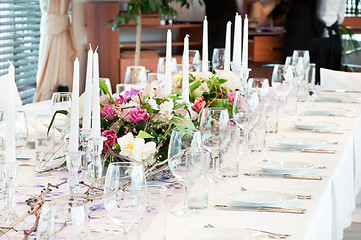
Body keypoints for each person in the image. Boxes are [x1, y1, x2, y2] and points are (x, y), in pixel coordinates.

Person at [272, 0, 346, 84]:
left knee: (296, 82)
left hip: (304, 37)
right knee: (327, 85)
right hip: (331, 39)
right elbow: (340, 17)